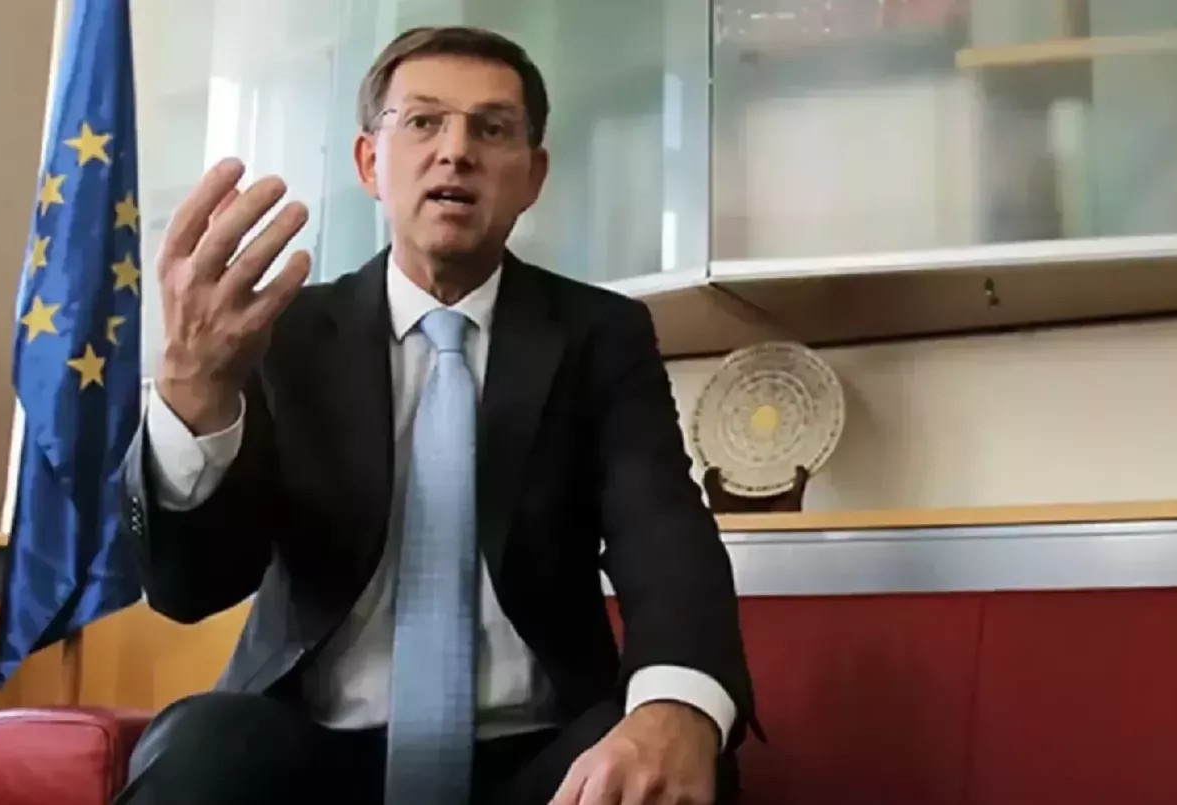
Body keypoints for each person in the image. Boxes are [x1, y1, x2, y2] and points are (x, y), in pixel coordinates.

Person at [114, 25, 757, 805]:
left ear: (533, 175)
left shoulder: (599, 335)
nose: (456, 151)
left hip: (537, 761)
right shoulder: (279, 333)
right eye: (423, 121)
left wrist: (677, 704)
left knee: (667, 762)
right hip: (314, 749)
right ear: (368, 162)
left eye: (492, 128)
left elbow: (662, 531)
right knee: (200, 748)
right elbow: (191, 588)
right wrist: (192, 386)